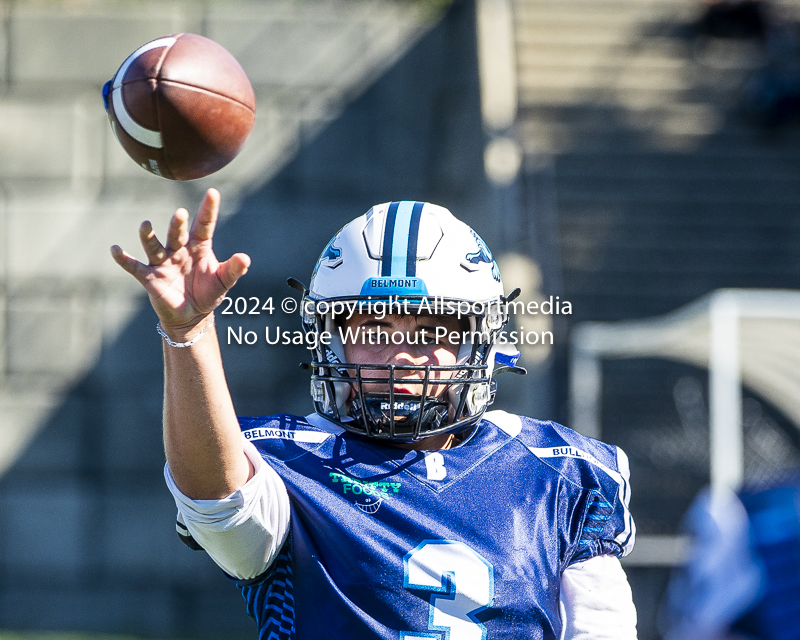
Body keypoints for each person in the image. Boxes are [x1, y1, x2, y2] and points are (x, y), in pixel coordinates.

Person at [111, 190, 638, 640]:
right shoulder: (289, 463)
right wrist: (188, 333)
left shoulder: (561, 472)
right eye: (372, 331)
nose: (402, 355)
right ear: (331, 341)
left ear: (481, 342)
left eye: (432, 332)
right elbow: (217, 503)